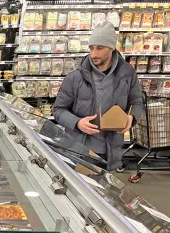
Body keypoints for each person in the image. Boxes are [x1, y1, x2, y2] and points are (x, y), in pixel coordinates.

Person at [53, 21, 143, 171]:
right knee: (81, 191)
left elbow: (137, 102)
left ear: (111, 48)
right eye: (91, 48)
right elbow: (58, 110)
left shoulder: (127, 74)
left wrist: (132, 117)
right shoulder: (75, 78)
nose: (94, 54)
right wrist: (77, 122)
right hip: (80, 149)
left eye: (100, 48)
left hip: (111, 150)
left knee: (102, 192)